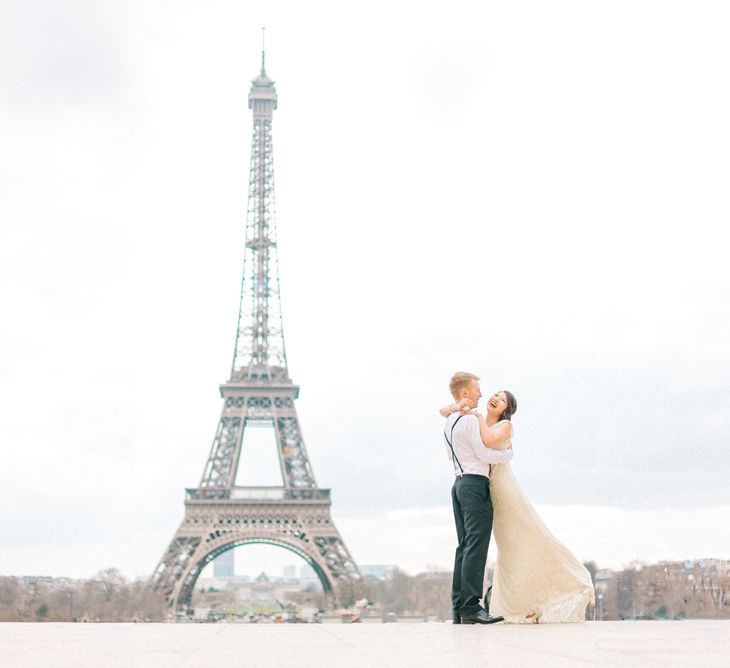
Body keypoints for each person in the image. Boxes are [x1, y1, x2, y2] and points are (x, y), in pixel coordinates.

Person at [440, 386, 595, 623]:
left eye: (502, 400)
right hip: (479, 486)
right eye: (495, 395)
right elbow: (446, 415)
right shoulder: (471, 419)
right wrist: (461, 409)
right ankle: (468, 606)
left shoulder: (502, 426)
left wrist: (477, 417)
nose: (495, 399)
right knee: (492, 547)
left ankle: (571, 581)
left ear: (506, 410)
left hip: (501, 488)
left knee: (521, 537)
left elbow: (487, 442)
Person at [440, 372, 514, 624]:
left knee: (464, 547)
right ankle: (472, 606)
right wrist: (508, 456)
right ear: (464, 393)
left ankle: (460, 606)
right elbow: (484, 453)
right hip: (474, 484)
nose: (481, 394)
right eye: (477, 389)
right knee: (476, 546)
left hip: (458, 484)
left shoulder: (450, 420)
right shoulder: (471, 420)